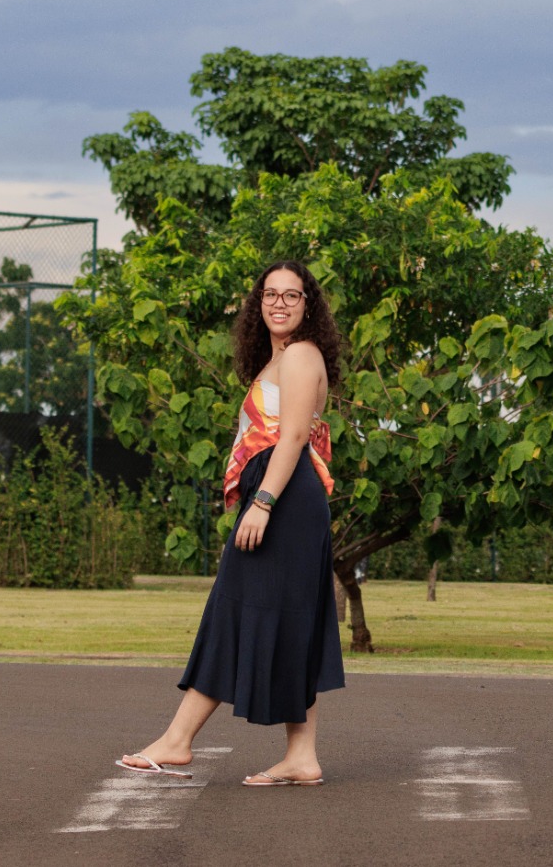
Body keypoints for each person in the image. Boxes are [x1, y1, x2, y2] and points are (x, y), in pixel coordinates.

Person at [117, 261, 346, 787]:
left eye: (292, 295)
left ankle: (177, 742)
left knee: (232, 609)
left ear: (308, 305)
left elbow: (291, 439)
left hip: (283, 497)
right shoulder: (281, 359)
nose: (280, 303)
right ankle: (301, 755)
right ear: (258, 303)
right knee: (291, 619)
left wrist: (262, 502)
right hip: (285, 495)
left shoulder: (301, 355)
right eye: (271, 294)